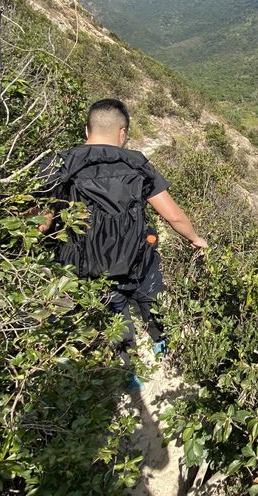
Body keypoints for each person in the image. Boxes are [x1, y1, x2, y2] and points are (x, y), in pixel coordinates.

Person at [38, 98, 207, 389]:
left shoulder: (59, 164)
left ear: (86, 129)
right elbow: (173, 215)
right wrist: (195, 238)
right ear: (123, 132)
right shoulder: (136, 164)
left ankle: (129, 369)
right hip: (136, 260)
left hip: (88, 267)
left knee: (114, 312)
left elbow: (41, 224)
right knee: (150, 296)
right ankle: (161, 344)